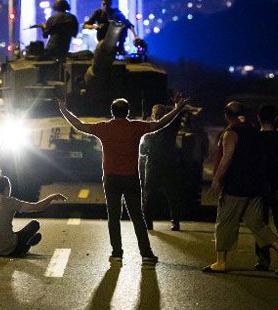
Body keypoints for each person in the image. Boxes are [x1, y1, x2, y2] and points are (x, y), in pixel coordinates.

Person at [59, 96, 188, 264]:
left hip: (111, 178)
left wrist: (64, 110)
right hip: (131, 178)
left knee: (113, 217)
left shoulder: (104, 128)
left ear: (112, 112)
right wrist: (177, 109)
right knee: (137, 217)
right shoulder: (135, 127)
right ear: (128, 112)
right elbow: (160, 124)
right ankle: (146, 253)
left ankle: (117, 252)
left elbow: (79, 125)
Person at [205, 102, 278, 274]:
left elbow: (227, 158)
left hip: (236, 185)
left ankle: (220, 262)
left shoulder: (230, 133)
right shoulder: (254, 132)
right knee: (256, 223)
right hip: (256, 186)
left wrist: (216, 180)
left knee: (224, 222)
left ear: (226, 116)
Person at [0, 175, 66, 257]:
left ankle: (23, 243)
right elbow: (38, 207)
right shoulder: (10, 201)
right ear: (6, 188)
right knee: (34, 225)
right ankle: (27, 245)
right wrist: (52, 197)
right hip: (9, 250)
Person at [254, 104, 278, 271]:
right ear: (276, 119)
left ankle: (263, 260)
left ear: (259, 118)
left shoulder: (255, 138)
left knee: (261, 223)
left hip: (260, 185)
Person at [140, 104, 183, 231]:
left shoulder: (153, 131)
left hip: (158, 165)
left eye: (158, 114)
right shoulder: (155, 130)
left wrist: (177, 108)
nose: (157, 117)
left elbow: (142, 151)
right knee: (167, 195)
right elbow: (142, 150)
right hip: (162, 164)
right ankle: (171, 222)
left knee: (154, 195)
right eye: (156, 114)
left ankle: (151, 223)